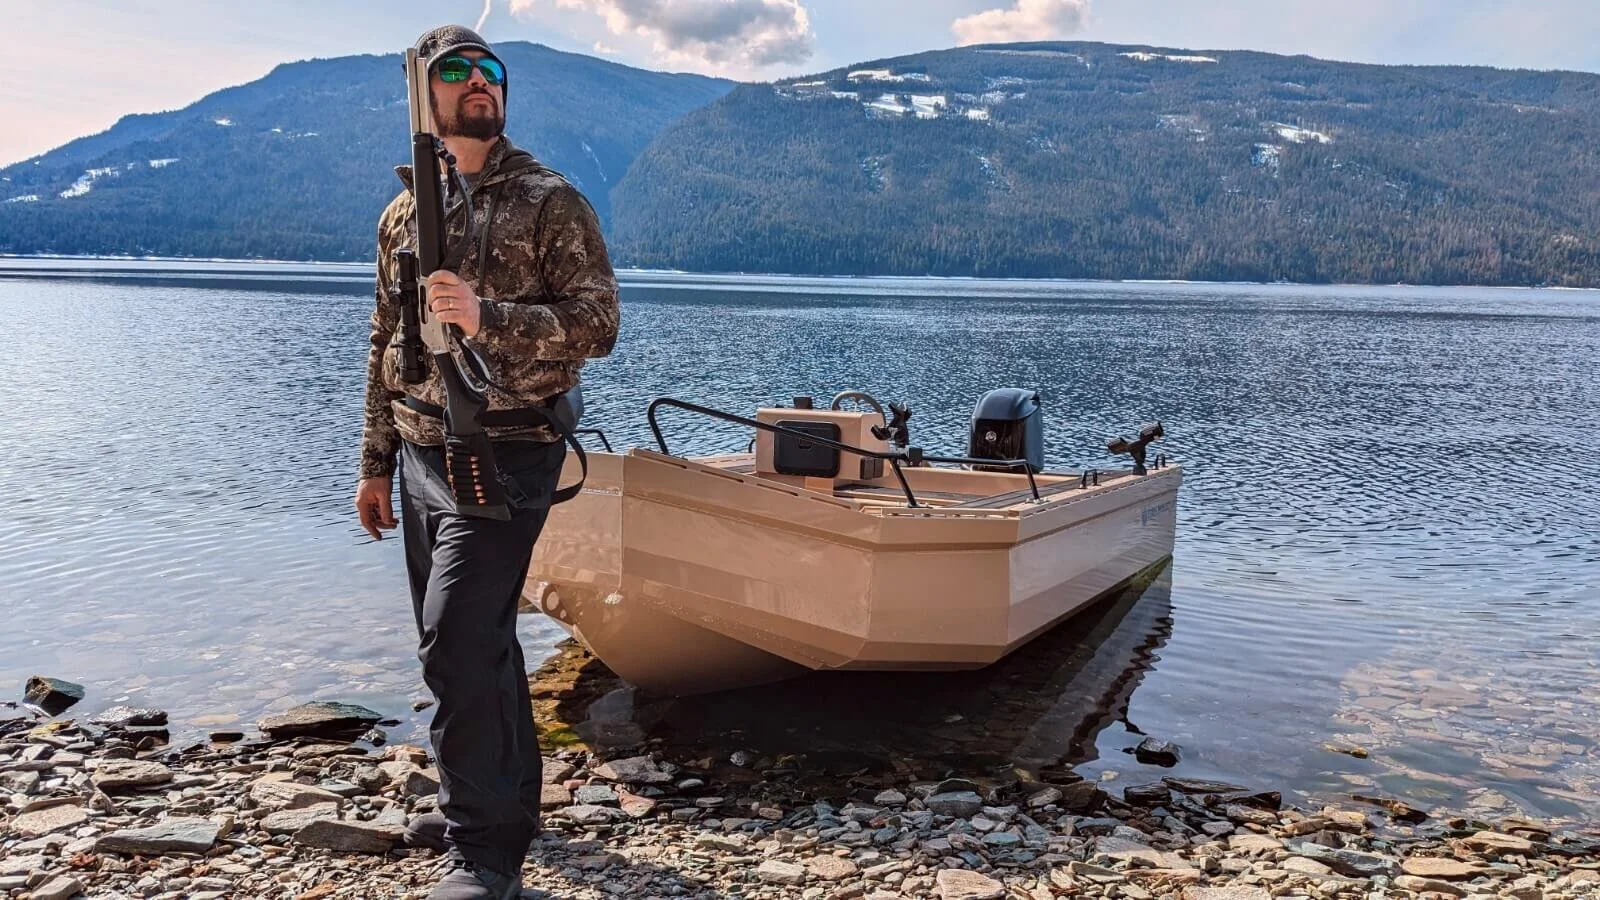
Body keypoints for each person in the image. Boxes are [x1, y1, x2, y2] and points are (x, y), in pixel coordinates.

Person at [353, 24, 620, 900]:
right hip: (422, 453)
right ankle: (498, 803)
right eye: (458, 72)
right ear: (422, 96)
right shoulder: (403, 213)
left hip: (507, 449)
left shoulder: (550, 199)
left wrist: (487, 314)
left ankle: (484, 855)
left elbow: (598, 325)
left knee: (456, 640)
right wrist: (374, 462)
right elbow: (385, 341)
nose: (480, 83)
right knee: (484, 639)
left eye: (491, 72)